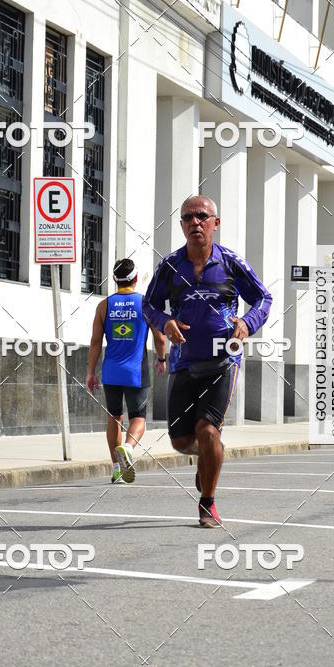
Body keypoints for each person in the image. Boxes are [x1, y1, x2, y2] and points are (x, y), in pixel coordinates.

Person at [143, 195, 272, 527]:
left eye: (202, 216)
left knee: (208, 430)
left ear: (215, 222)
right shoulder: (170, 266)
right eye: (188, 217)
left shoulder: (230, 263)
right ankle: (209, 461)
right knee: (181, 440)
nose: (195, 222)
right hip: (183, 362)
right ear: (182, 225)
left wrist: (247, 323)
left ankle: (207, 502)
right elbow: (149, 305)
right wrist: (164, 322)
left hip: (222, 362)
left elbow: (262, 298)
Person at [86, 258, 167, 484]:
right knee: (138, 418)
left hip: (111, 372)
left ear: (114, 279)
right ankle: (129, 448)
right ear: (135, 279)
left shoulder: (104, 306)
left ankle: (117, 470)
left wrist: (91, 372)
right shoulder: (145, 304)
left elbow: (94, 342)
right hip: (136, 372)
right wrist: (161, 359)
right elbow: (160, 337)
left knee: (114, 417)